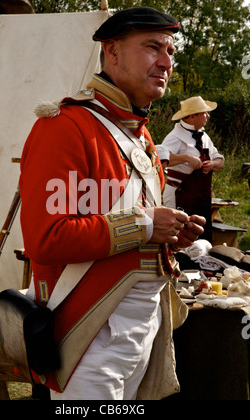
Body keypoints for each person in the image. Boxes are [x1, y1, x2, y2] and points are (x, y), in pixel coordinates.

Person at [19, 7, 205, 400]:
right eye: (152, 47)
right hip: (88, 336)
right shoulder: (64, 127)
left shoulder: (141, 137)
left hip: (143, 328)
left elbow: (128, 235)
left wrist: (170, 237)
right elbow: (47, 239)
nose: (165, 62)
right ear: (112, 51)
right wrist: (148, 225)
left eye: (170, 51)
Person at [162, 96, 224, 242]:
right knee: (178, 236)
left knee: (201, 236)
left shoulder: (205, 137)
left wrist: (212, 164)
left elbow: (220, 161)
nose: (208, 116)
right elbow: (159, 159)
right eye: (205, 113)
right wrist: (186, 158)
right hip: (179, 195)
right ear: (192, 116)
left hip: (201, 197)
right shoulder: (175, 136)